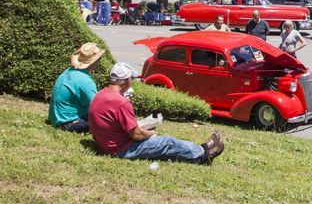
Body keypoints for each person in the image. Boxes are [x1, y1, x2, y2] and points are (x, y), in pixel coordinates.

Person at [88, 62, 225, 164]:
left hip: (106, 145)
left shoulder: (100, 94)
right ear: (127, 81)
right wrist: (150, 134)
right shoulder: (121, 102)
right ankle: (203, 154)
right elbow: (136, 135)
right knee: (167, 142)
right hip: (121, 149)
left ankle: (200, 150)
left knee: (162, 143)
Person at [48, 42, 102, 132]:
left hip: (55, 118)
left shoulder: (69, 70)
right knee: (105, 122)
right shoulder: (86, 81)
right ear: (94, 62)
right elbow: (97, 107)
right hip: (67, 122)